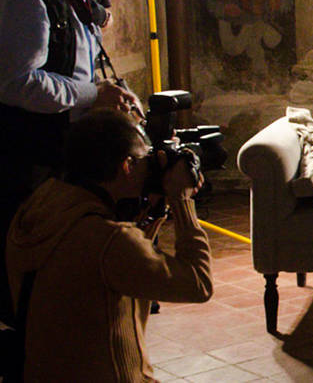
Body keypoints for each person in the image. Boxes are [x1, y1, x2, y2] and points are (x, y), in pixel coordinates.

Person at [0, 0, 138, 325]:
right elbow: (16, 83)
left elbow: (71, 52)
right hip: (27, 156)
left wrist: (103, 88)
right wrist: (91, 94)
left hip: (55, 144)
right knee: (33, 289)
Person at [5, 109, 213, 381]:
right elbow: (198, 284)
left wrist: (153, 208)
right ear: (127, 166)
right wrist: (182, 201)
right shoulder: (109, 240)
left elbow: (120, 267)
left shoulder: (39, 209)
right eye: (145, 158)